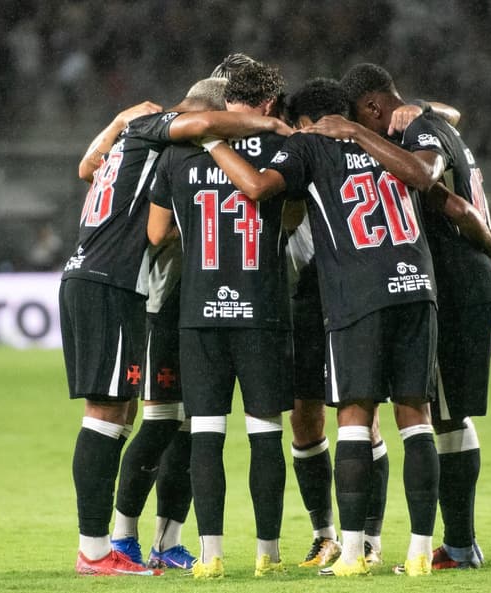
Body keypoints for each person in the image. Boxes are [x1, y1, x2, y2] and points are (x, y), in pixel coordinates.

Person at [207, 78, 445, 577]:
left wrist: (208, 142)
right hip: (414, 285)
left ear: (302, 122)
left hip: (353, 292)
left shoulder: (308, 146)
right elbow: (438, 136)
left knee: (354, 418)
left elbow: (258, 188)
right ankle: (419, 551)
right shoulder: (393, 138)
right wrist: (417, 108)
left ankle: (356, 551)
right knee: (414, 417)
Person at [62, 77, 289, 577]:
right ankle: (101, 548)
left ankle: (148, 542)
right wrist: (269, 124)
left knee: (147, 417)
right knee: (119, 417)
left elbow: (85, 168)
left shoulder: (132, 138)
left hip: (107, 281)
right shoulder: (163, 133)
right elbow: (203, 125)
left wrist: (117, 120)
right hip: (121, 285)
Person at [336, 62, 491, 571]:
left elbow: (430, 177)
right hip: (471, 282)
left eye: (360, 121)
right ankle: (460, 544)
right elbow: (448, 122)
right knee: (449, 413)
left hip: (460, 285)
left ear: (373, 107)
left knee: (447, 415)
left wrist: (486, 241)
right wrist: (421, 105)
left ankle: (459, 546)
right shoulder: (428, 120)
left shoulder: (420, 134)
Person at [106, 53, 262, 572]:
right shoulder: (166, 146)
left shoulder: (195, 151)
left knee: (194, 429)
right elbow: (154, 232)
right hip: (161, 303)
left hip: (195, 305)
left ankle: (166, 541)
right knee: (160, 423)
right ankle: (122, 536)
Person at [147, 61, 295, 580]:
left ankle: (210, 556)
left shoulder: (177, 154)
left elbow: (155, 232)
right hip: (261, 308)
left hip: (200, 312)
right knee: (265, 435)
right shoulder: (280, 148)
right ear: (268, 104)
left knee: (205, 435)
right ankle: (268, 553)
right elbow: (294, 216)